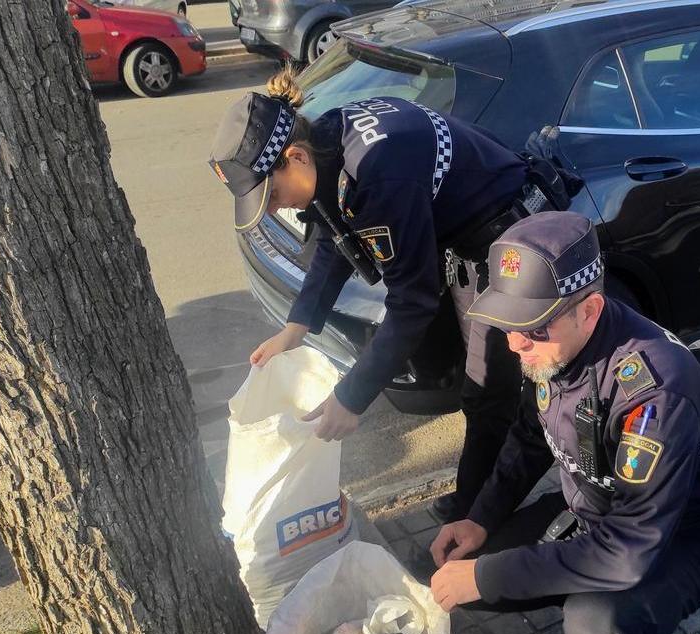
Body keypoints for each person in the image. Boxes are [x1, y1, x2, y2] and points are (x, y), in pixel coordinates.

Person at [209, 68, 569, 521]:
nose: (276, 207)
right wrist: (297, 327)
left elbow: (411, 303)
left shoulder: (379, 175)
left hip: (505, 241)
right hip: (466, 239)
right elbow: (331, 235)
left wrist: (352, 396)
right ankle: (478, 504)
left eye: (274, 194)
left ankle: (478, 521)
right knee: (480, 390)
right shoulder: (329, 136)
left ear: (294, 157)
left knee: (486, 391)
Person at [428, 212, 700, 634]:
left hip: (694, 530)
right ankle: (582, 577)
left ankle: (624, 613)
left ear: (589, 310)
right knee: (467, 564)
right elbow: (531, 436)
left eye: (533, 327)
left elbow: (630, 546)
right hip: (602, 507)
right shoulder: (551, 351)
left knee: (594, 628)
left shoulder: (654, 391)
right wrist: (481, 519)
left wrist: (495, 576)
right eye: (508, 324)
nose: (515, 344)